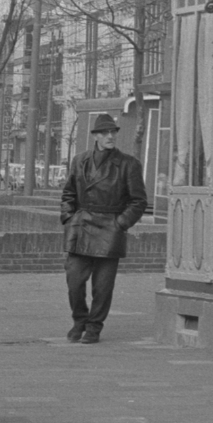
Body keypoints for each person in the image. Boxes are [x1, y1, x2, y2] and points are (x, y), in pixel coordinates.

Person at [59, 114, 148, 344]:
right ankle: (79, 321)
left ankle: (94, 328)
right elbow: (68, 193)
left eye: (113, 132)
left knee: (103, 287)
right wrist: (69, 218)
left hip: (110, 229)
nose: (110, 136)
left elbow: (138, 201)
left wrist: (120, 224)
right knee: (74, 282)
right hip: (81, 228)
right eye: (105, 133)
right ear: (96, 136)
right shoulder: (80, 160)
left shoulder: (128, 164)